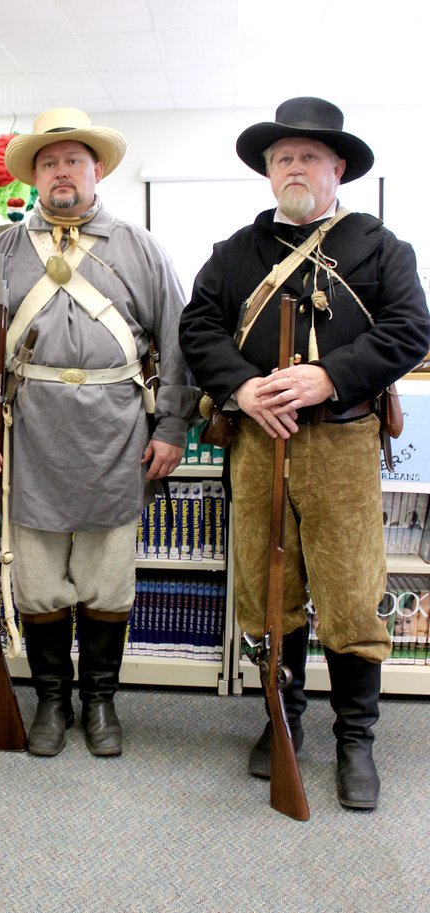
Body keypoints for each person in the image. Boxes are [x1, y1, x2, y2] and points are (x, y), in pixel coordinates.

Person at [179, 97, 430, 810]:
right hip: (260, 442)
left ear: (337, 168)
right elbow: (199, 329)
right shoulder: (233, 253)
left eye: (309, 156)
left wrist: (331, 375)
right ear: (268, 171)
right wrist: (243, 387)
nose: (295, 167)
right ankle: (282, 720)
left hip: (344, 440)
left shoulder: (381, 247)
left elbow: (412, 329)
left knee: (351, 593)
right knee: (268, 592)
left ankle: (357, 740)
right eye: (282, 157)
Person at [0, 108, 197, 758]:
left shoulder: (139, 247)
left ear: (96, 169)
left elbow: (177, 341)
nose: (61, 173)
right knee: (40, 580)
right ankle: (51, 697)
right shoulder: (0, 253)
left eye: (73, 161)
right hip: (32, 437)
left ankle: (100, 701)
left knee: (108, 578)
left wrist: (170, 427)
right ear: (34, 175)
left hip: (117, 433)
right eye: (49, 163)